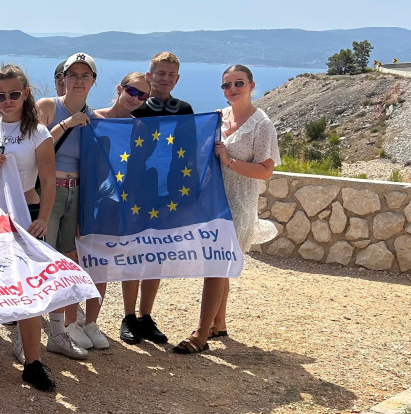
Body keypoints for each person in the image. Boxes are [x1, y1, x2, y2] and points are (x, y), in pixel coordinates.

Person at [174, 65, 279, 354]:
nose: (232, 89)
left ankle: (200, 334)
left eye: (238, 83)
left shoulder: (262, 124)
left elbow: (265, 171)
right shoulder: (220, 117)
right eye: (226, 85)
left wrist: (229, 161)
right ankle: (218, 323)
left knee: (215, 265)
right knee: (219, 265)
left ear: (251, 85)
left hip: (239, 204)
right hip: (214, 201)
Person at [0, 64, 56, 391]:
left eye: (14, 94)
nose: (7, 101)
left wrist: (43, 218)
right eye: (0, 95)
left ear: (26, 94)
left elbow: (48, 180)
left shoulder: (38, 133)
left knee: (27, 289)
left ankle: (33, 362)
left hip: (26, 214)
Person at [121, 52, 194, 347]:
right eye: (159, 73)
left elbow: (191, 150)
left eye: (170, 75)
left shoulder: (185, 110)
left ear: (177, 79)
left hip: (169, 194)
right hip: (137, 191)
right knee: (133, 254)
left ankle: (146, 316)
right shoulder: (137, 108)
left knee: (156, 256)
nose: (164, 79)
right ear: (150, 75)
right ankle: (127, 316)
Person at [39, 53, 103, 359]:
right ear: (63, 78)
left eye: (84, 75)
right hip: (49, 194)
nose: (78, 80)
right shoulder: (48, 108)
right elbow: (35, 149)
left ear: (93, 81)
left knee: (66, 264)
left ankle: (58, 333)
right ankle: (25, 336)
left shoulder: (97, 121)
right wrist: (66, 123)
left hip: (76, 195)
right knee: (42, 263)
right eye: (72, 74)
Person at [78, 72, 151, 336]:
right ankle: (70, 322)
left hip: (120, 206)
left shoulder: (140, 129)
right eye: (132, 91)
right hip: (87, 201)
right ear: (120, 88)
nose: (136, 98)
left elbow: (141, 168)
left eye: (143, 95)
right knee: (79, 261)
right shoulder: (93, 119)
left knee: (102, 266)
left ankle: (91, 323)